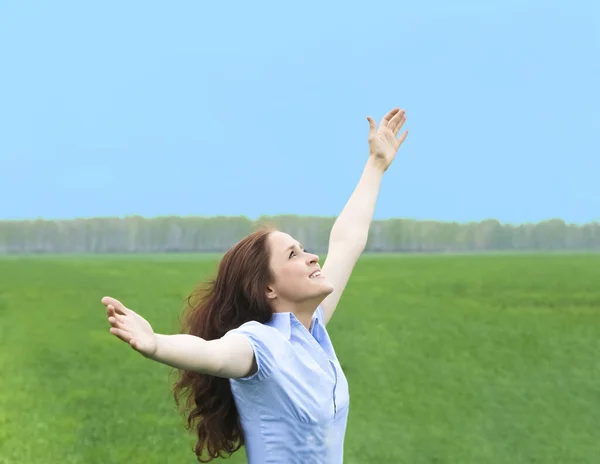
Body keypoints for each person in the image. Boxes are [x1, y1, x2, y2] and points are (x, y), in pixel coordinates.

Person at [100, 107, 408, 463]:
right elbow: (213, 354)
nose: (312, 257)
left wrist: (376, 165)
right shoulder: (261, 344)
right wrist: (156, 344)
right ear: (268, 289)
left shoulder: (313, 329)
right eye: (293, 254)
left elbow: (346, 241)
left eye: (305, 249)